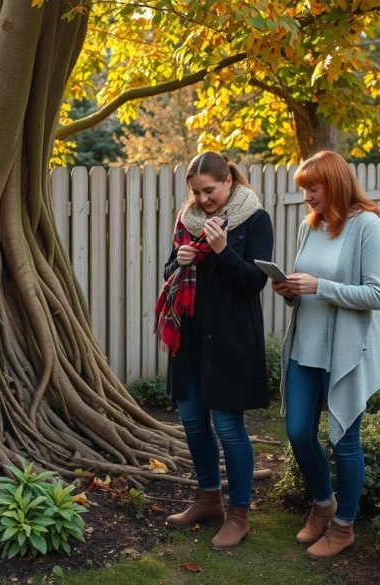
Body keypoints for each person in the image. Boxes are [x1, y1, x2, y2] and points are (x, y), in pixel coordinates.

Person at [271, 150, 380, 559]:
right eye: (303, 189)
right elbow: (307, 286)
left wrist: (318, 286)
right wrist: (290, 291)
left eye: (312, 188)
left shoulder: (367, 226)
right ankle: (324, 505)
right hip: (306, 346)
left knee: (345, 441)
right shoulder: (312, 226)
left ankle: (344, 527)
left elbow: (377, 295)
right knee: (298, 433)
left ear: (335, 184)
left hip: (346, 351)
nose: (306, 196)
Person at [154, 151, 273, 551]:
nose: (203, 200)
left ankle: (239, 515)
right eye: (196, 192)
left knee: (228, 426)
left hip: (229, 338)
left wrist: (223, 252)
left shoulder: (255, 218)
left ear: (228, 182)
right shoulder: (188, 221)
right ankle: (207, 499)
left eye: (210, 190)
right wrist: (179, 261)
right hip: (189, 337)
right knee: (190, 419)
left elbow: (255, 281)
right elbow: (171, 270)